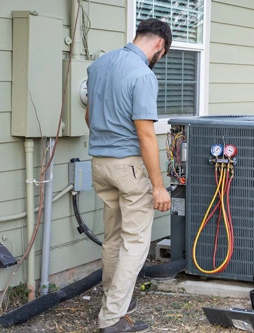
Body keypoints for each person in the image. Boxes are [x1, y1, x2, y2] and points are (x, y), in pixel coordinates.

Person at [85, 18, 172, 333]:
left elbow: (88, 115)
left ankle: (115, 300)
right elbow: (146, 135)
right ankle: (111, 318)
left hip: (100, 162)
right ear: (159, 45)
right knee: (135, 242)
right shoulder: (142, 74)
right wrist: (159, 187)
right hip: (130, 166)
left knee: (113, 237)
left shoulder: (99, 66)